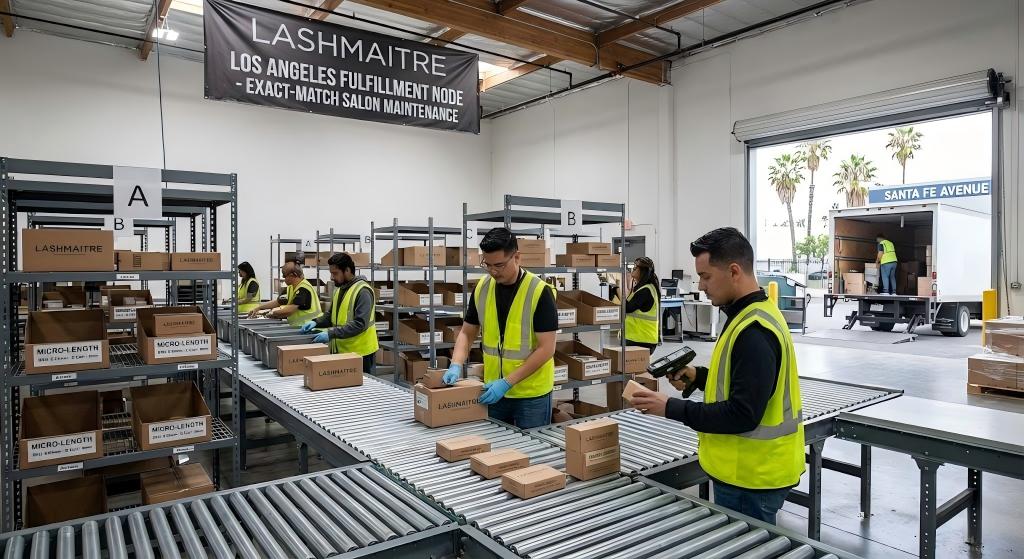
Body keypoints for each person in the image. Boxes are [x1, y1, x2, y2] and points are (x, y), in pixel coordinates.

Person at [630, 227, 804, 525]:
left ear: (734, 271)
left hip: (752, 476)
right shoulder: (752, 313)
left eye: (706, 276)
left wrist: (669, 407)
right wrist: (698, 377)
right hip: (747, 471)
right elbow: (740, 381)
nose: (701, 285)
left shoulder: (754, 331)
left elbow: (742, 414)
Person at [442, 228, 558, 428]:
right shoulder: (482, 288)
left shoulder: (539, 292)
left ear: (517, 257)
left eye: (499, 265)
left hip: (531, 395)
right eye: (487, 265)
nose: (493, 271)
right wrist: (456, 364)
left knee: (531, 452)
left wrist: (507, 382)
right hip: (492, 391)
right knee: (496, 453)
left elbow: (546, 348)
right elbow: (467, 332)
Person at [299, 253, 378, 374]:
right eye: (331, 273)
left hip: (361, 353)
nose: (331, 277)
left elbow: (360, 324)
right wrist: (315, 322)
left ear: (347, 270)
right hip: (342, 351)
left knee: (361, 390)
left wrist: (330, 334)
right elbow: (331, 316)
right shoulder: (340, 289)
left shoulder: (363, 291)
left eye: (335, 273)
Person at [247, 259, 322, 326]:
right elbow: (278, 302)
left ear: (293, 275)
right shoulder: (290, 287)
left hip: (311, 328)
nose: (283, 278)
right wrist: (259, 308)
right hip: (299, 326)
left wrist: (272, 314)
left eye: (284, 276)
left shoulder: (303, 288)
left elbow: (290, 311)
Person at [625, 256, 660, 354]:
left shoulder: (645, 290)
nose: (633, 269)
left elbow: (627, 308)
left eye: (635, 268)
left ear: (643, 271)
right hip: (640, 338)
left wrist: (619, 289)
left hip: (641, 340)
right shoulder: (643, 288)